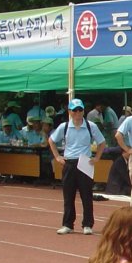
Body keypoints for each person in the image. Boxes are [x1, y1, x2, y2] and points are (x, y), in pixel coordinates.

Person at [48, 98, 106, 235]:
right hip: (69, 162)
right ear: (69, 111)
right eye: (75, 110)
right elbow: (51, 140)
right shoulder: (64, 127)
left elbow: (102, 142)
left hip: (85, 162)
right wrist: (57, 157)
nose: (78, 113)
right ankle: (68, 224)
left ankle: (87, 224)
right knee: (68, 196)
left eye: (80, 110)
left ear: (84, 111)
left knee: (87, 195)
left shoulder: (91, 126)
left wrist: (97, 157)